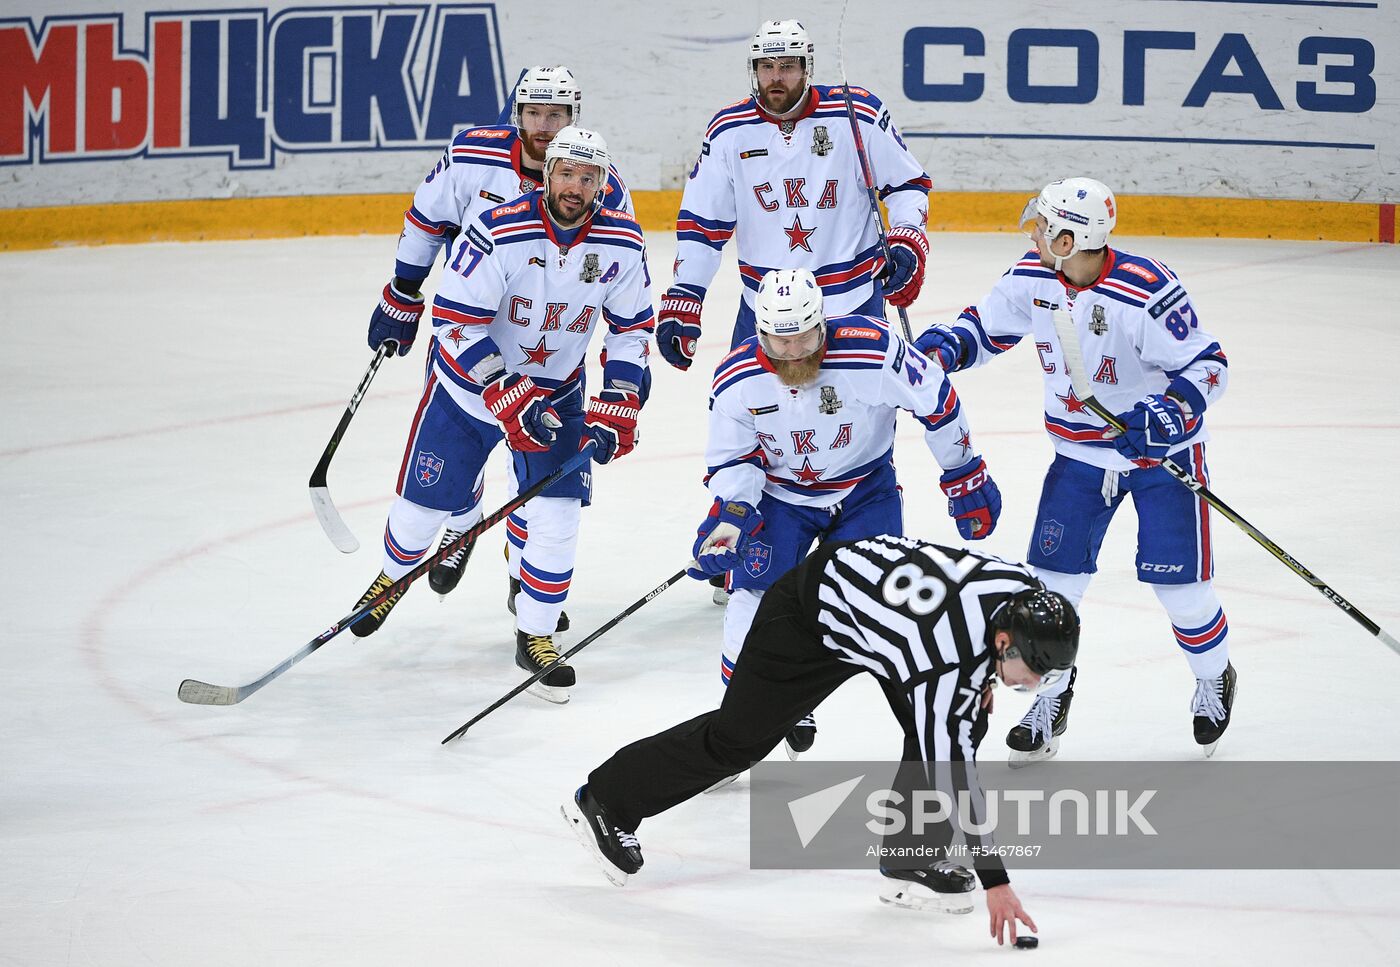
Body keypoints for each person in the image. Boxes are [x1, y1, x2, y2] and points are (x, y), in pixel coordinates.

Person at [562, 535, 1080, 947]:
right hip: (810, 617)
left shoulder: (1022, 589)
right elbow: (955, 774)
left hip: (885, 620)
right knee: (737, 741)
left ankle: (910, 854)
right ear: (1003, 640)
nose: (1031, 685)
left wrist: (984, 680)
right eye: (1029, 671)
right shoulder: (943, 661)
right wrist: (996, 882)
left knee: (959, 721)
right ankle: (607, 798)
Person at [914, 177, 1237, 761]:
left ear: (1068, 238)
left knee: (1182, 592)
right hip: (1080, 459)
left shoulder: (1147, 291)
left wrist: (1170, 413)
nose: (1033, 233)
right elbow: (984, 329)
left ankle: (1214, 676)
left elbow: (1209, 366)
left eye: (1043, 226)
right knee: (1049, 593)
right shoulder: (1031, 277)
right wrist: (943, 347)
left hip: (1159, 460)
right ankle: (1050, 700)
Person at [347, 126, 653, 705]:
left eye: (588, 178)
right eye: (566, 173)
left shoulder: (621, 241)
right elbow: (455, 321)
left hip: (557, 397)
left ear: (602, 183)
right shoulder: (498, 230)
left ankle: (535, 636)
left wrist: (619, 400)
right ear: (548, 174)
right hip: (468, 395)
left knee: (558, 518)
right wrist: (503, 389)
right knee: (418, 515)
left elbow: (633, 329)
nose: (575, 186)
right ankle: (391, 577)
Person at [688, 267, 1002, 758]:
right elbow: (733, 459)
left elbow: (936, 399)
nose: (791, 352)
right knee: (752, 600)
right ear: (759, 331)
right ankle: (740, 728)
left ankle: (934, 736)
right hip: (782, 496)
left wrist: (963, 472)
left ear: (823, 323)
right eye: (778, 341)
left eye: (804, 338)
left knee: (885, 610)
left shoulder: (874, 350)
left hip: (864, 491)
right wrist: (732, 515)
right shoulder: (737, 379)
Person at [363, 66, 632, 605]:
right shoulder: (471, 154)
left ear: (573, 118)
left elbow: (612, 271)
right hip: (474, 341)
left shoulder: (601, 184)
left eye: (556, 115)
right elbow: (426, 220)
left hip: (552, 356)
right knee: (451, 458)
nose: (545, 125)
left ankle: (523, 580)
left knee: (538, 483)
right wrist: (404, 290)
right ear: (517, 113)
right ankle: (460, 521)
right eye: (534, 113)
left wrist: (621, 384)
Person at [655, 19, 932, 370]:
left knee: (865, 418)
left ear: (806, 68)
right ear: (754, 70)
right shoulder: (729, 131)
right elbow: (702, 224)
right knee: (750, 413)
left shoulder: (855, 114)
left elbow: (907, 185)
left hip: (851, 300)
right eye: (766, 67)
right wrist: (687, 292)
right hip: (764, 308)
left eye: (787, 66)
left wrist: (908, 239)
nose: (775, 77)